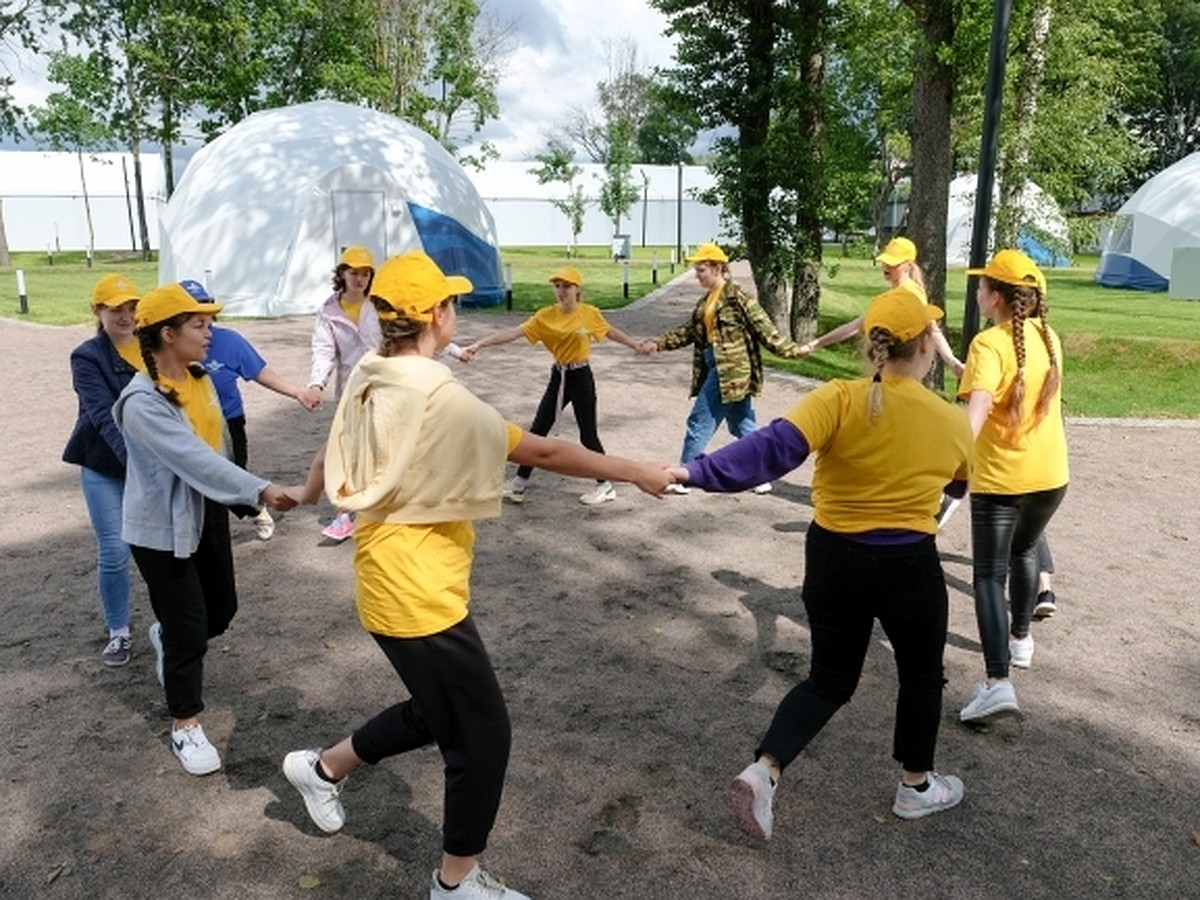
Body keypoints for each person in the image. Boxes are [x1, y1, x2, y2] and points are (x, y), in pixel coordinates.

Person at [279, 251, 672, 900]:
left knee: (441, 712)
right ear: (435, 315)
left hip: (389, 583)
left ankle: (324, 769)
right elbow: (540, 449)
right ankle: (455, 882)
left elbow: (329, 448)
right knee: (483, 736)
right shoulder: (437, 395)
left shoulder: (373, 373)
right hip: (417, 598)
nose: (455, 312)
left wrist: (306, 492)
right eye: (451, 303)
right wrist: (635, 471)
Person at [668, 287, 972, 839]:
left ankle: (765, 770)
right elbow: (959, 481)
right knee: (922, 676)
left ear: (871, 346)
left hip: (833, 557)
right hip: (909, 564)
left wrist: (693, 472)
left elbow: (768, 451)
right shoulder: (950, 421)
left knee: (829, 679)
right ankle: (915, 785)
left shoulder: (837, 398)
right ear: (927, 346)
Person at [111, 283, 297, 776]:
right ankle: (185, 725)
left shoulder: (200, 378)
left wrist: (239, 500)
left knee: (221, 611)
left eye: (209, 323)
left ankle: (166, 633)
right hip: (159, 529)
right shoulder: (141, 402)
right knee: (190, 627)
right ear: (167, 334)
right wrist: (261, 490)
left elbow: (216, 450)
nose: (210, 333)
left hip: (206, 512)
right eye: (199, 325)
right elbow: (190, 458)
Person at [956, 249, 1068, 724]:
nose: (977, 291)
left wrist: (946, 466)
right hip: (1051, 476)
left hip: (1003, 480)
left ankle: (997, 682)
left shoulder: (989, 344)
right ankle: (1021, 639)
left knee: (987, 575)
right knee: (1025, 552)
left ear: (997, 298)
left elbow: (974, 418)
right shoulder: (1049, 336)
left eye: (982, 286)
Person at [461, 266, 648, 506]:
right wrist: (480, 344)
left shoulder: (589, 313)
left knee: (588, 435)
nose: (561, 291)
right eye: (557, 286)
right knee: (538, 430)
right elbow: (514, 332)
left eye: (567, 286)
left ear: (577, 289)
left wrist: (635, 345)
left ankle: (605, 485)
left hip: (581, 377)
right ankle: (518, 484)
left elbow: (610, 332)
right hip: (558, 377)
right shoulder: (545, 316)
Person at [640, 242, 808, 495]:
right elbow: (689, 330)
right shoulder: (706, 300)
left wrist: (793, 350)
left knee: (700, 420)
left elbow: (764, 328)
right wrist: (659, 343)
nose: (697, 275)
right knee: (742, 425)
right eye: (697, 270)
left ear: (718, 268)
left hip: (730, 371)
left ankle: (685, 475)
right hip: (714, 365)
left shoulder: (736, 296)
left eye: (701, 269)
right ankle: (760, 475)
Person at [183, 279, 318, 541]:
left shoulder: (229, 341)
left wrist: (297, 392)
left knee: (231, 477)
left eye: (206, 309)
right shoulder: (171, 348)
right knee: (199, 484)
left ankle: (256, 510)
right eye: (193, 313)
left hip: (227, 423)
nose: (204, 318)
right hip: (188, 426)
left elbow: (258, 371)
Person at [62, 274, 144, 667]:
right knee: (114, 550)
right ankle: (119, 632)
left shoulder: (153, 345)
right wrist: (136, 463)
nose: (126, 316)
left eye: (131, 307)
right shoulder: (87, 356)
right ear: (98, 311)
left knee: (162, 548)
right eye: (116, 309)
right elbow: (103, 416)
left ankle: (172, 626)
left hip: (151, 468)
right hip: (105, 466)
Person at [298, 246, 382, 542]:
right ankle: (343, 514)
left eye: (365, 273)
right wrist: (316, 384)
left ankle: (378, 507)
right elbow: (323, 352)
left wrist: (452, 349)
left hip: (387, 388)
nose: (359, 279)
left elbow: (408, 332)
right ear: (342, 274)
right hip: (351, 391)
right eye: (353, 273)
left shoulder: (381, 304)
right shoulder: (329, 311)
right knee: (344, 450)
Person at [799, 236, 965, 377]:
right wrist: (814, 344)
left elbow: (932, 329)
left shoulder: (909, 295)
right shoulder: (899, 295)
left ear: (908, 265)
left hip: (900, 370)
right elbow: (855, 326)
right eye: (885, 261)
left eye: (893, 263)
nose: (886, 266)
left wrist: (952, 362)